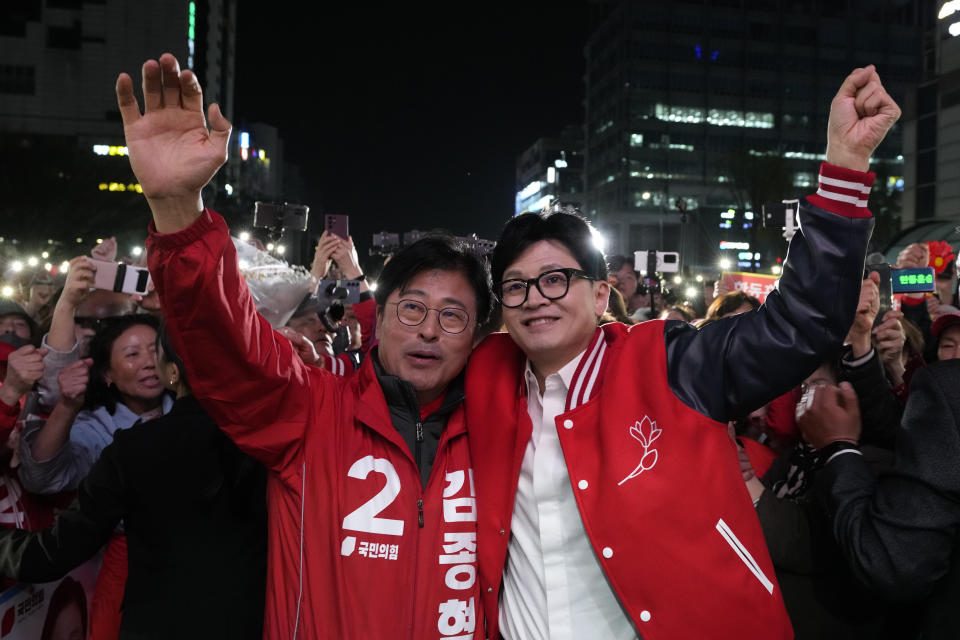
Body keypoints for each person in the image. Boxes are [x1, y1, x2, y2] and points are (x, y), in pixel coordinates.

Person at [463, 64, 899, 639]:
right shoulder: (483, 376)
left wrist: (843, 167)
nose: (535, 299)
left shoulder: (670, 361)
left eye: (555, 279)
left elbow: (802, 325)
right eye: (516, 285)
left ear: (600, 295)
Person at [117, 52, 492, 638]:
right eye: (412, 308)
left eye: (453, 317)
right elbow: (225, 346)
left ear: (477, 336)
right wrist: (175, 210)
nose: (427, 330)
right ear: (379, 316)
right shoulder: (309, 412)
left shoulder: (506, 432)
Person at [0, 326, 267, 639]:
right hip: (256, 621)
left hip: (159, 625)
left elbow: (55, 552)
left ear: (171, 374)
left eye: (155, 353)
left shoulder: (133, 448)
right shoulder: (268, 440)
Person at [799, 359, 960, 639]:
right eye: (803, 388)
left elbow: (895, 561)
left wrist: (838, 447)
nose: (810, 397)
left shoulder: (949, 387)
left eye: (818, 387)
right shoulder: (788, 456)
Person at [18, 314, 172, 494]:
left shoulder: (190, 409)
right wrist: (67, 406)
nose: (149, 363)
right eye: (132, 354)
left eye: (156, 351)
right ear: (107, 373)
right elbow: (41, 480)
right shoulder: (96, 429)